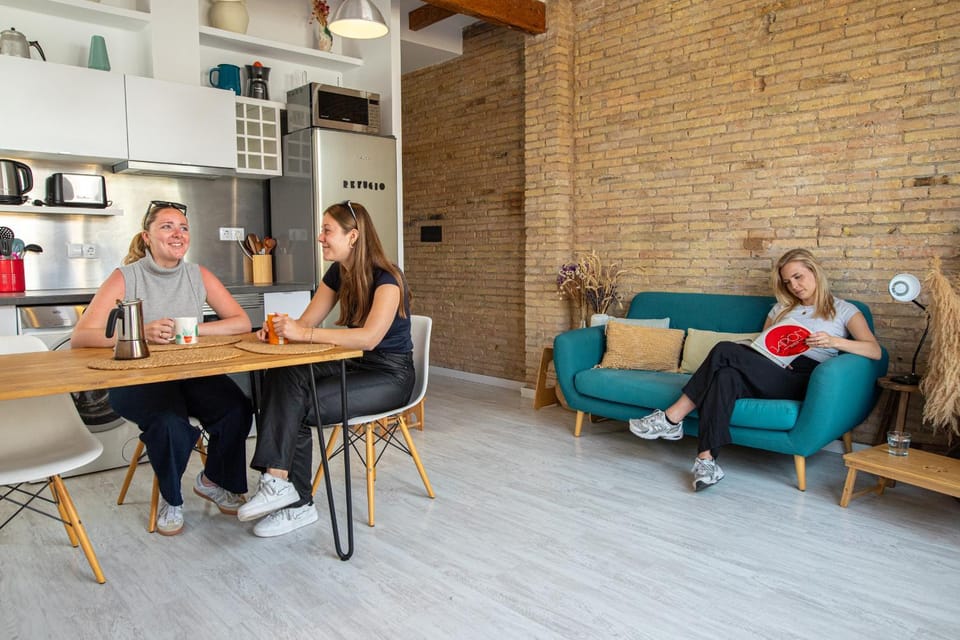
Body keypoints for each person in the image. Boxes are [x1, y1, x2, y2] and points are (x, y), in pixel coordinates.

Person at [629, 248, 882, 491]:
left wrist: (833, 342)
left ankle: (672, 418)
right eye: (787, 282)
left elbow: (875, 351)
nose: (794, 286)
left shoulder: (844, 309)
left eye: (798, 277)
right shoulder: (780, 309)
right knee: (725, 376)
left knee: (724, 349)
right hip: (771, 368)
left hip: (805, 377)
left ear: (814, 272)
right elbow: (765, 344)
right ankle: (706, 461)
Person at [71, 200, 253, 536]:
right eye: (167, 226)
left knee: (237, 408)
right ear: (147, 237)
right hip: (138, 380)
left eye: (183, 227)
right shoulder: (125, 277)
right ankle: (172, 499)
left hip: (191, 373)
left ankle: (213, 480)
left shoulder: (198, 274)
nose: (178, 233)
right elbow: (81, 336)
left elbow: (241, 322)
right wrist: (140, 333)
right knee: (170, 424)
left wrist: (194, 330)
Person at [238, 200, 414, 537]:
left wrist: (302, 333)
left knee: (302, 402)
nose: (320, 237)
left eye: (327, 230)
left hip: (391, 375)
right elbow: (306, 323)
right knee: (286, 372)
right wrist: (280, 330)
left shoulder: (388, 277)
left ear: (353, 236)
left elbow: (371, 338)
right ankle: (280, 485)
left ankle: (296, 503)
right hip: (355, 364)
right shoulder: (337, 273)